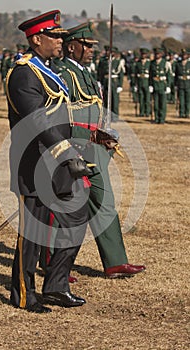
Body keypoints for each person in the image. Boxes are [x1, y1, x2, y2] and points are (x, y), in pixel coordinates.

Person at [40, 22, 146, 280]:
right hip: (73, 146)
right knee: (66, 208)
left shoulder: (86, 73)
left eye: (91, 46)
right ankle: (54, 264)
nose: (90, 50)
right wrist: (84, 134)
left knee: (104, 202)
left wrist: (105, 134)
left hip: (95, 147)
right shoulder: (61, 73)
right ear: (71, 46)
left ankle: (115, 262)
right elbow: (54, 118)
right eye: (86, 45)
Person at [6, 10, 92, 313]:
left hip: (59, 162)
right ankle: (24, 293)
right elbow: (37, 121)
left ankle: (56, 285)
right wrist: (67, 152)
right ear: (36, 38)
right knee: (33, 232)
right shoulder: (23, 73)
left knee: (77, 216)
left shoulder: (48, 69)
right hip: (34, 163)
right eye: (54, 36)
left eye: (60, 35)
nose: (61, 40)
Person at [97, 46, 124, 120]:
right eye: (107, 51)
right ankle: (106, 116)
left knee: (114, 100)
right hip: (105, 81)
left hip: (114, 82)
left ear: (113, 53)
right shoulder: (103, 61)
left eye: (109, 52)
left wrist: (120, 85)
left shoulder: (117, 62)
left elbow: (121, 74)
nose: (107, 53)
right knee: (105, 100)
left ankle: (114, 117)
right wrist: (99, 81)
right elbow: (100, 72)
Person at [149, 47, 171, 124]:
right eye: (156, 54)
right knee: (156, 104)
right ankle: (156, 118)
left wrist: (168, 86)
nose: (157, 55)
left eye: (158, 54)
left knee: (162, 104)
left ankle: (162, 119)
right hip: (155, 85)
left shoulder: (165, 63)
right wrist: (150, 85)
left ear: (161, 54)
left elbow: (168, 75)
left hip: (162, 85)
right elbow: (150, 75)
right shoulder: (152, 63)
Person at [135, 48, 151, 117]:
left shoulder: (149, 63)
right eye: (142, 54)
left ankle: (147, 112)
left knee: (147, 99)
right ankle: (141, 112)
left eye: (144, 54)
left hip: (147, 82)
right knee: (141, 98)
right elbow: (136, 74)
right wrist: (135, 84)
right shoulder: (138, 63)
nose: (143, 55)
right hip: (140, 82)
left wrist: (151, 84)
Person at [175, 48, 190, 118]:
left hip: (188, 84)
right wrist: (175, 84)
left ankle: (187, 113)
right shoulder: (178, 64)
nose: (184, 56)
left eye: (185, 55)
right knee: (181, 99)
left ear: (188, 56)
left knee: (188, 99)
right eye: (183, 55)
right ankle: (181, 113)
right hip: (180, 83)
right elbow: (176, 75)